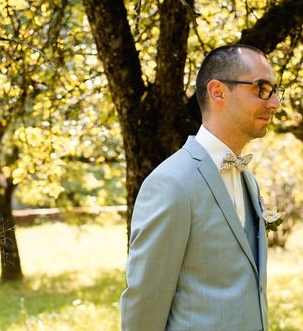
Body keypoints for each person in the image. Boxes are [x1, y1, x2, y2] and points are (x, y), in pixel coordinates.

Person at [120, 44, 282, 331]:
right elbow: (144, 307)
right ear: (218, 91)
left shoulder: (249, 180)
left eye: (274, 91)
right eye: (262, 89)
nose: (275, 103)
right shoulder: (171, 183)